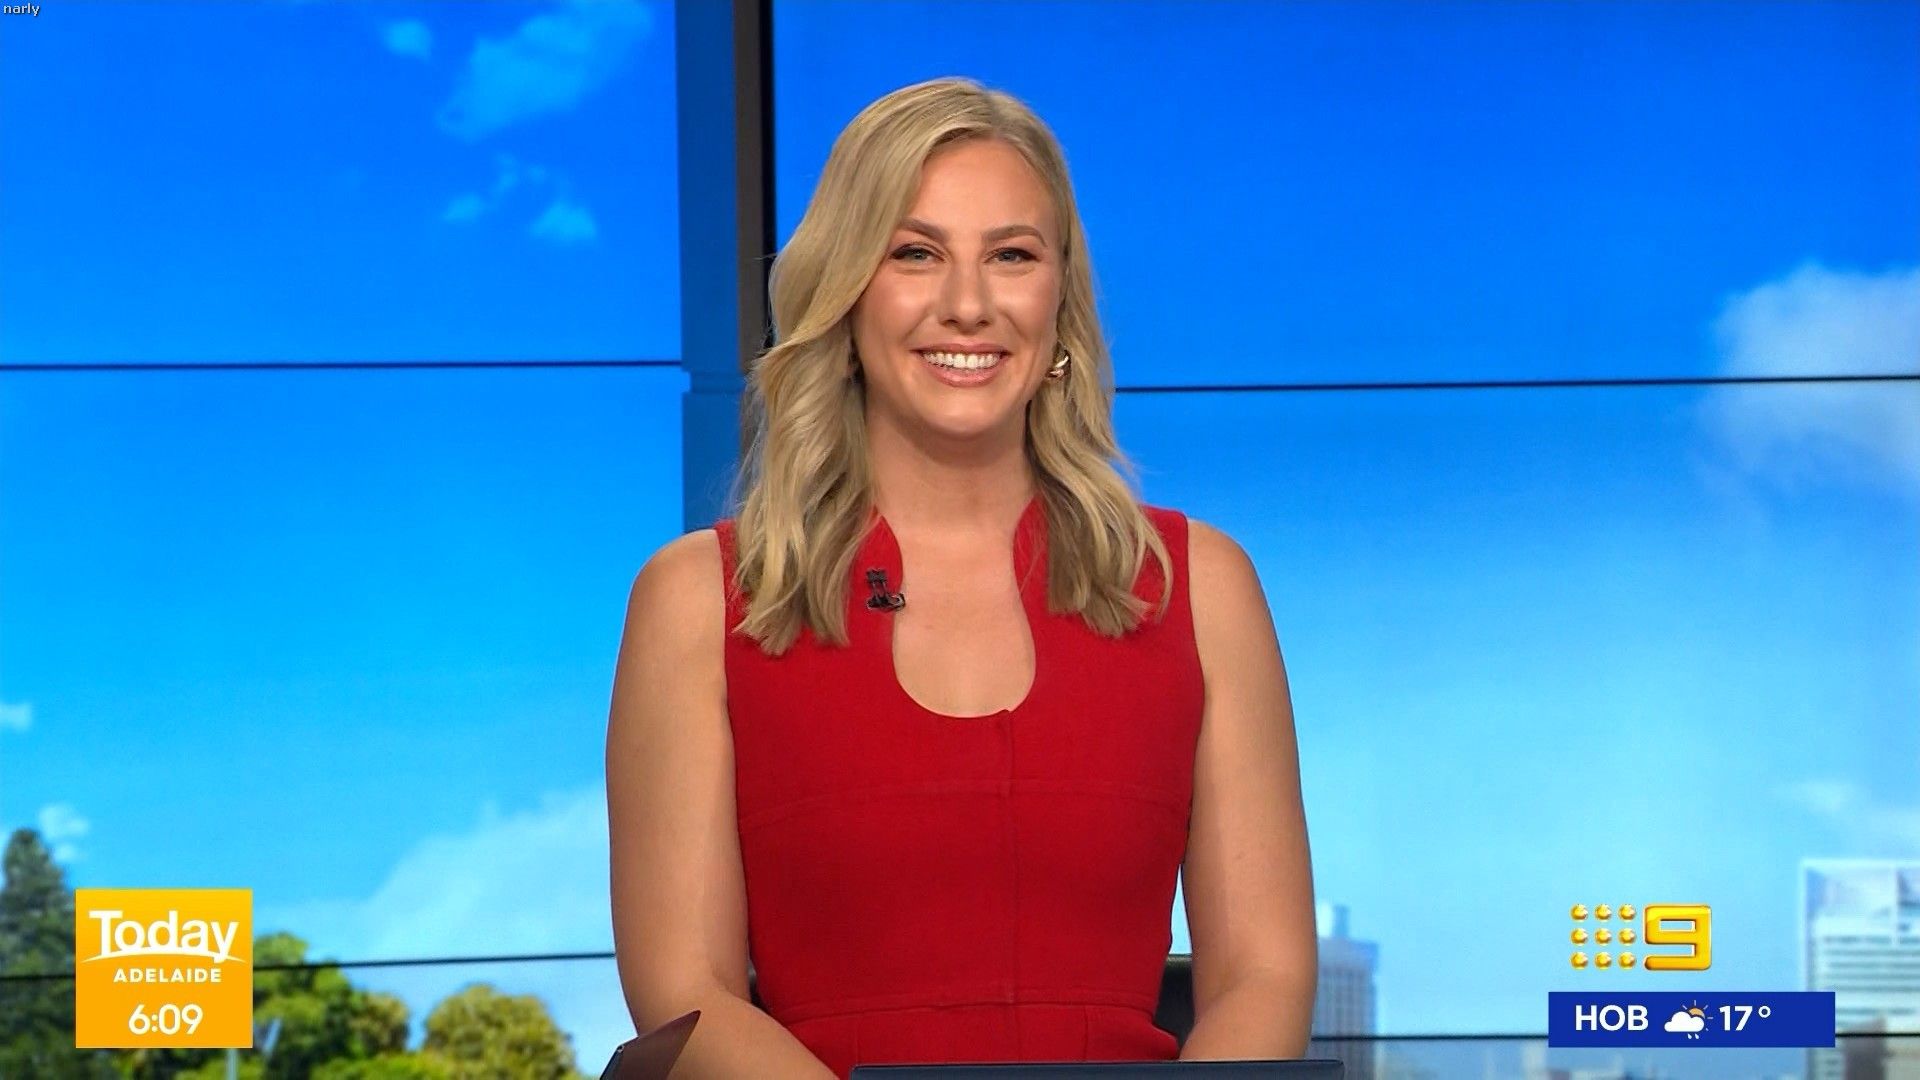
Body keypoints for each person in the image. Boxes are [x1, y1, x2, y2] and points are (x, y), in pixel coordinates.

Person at [606, 76, 1316, 1079]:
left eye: (1012, 256)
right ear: (847, 289)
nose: (969, 306)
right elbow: (688, 993)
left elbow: (1264, 981)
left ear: (1060, 300)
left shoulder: (1200, 589)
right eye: (915, 254)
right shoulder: (698, 603)